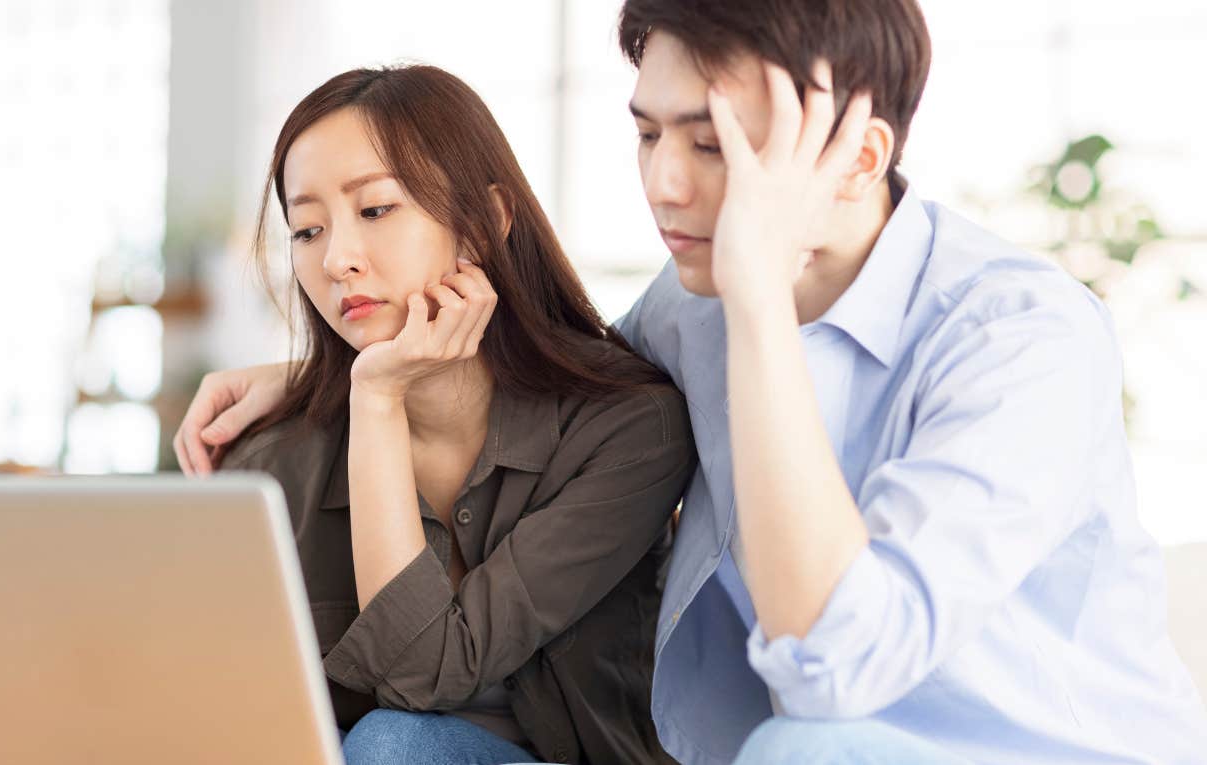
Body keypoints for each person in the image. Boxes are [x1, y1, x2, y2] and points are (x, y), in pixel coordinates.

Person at [170, 1, 1207, 763]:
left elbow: (834, 671)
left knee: (804, 752)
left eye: (711, 143)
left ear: (856, 157)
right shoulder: (687, 305)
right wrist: (324, 373)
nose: (664, 183)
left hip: (1014, 752)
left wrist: (758, 300)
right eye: (648, 132)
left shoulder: (1022, 340)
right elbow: (559, 374)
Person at [0, 64, 698, 765]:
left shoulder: (630, 429)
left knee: (397, 743)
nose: (336, 258)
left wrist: (375, 397)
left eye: (376, 210)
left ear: (484, 223)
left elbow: (424, 673)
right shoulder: (275, 456)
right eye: (307, 228)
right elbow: (197, 701)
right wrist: (16, 728)